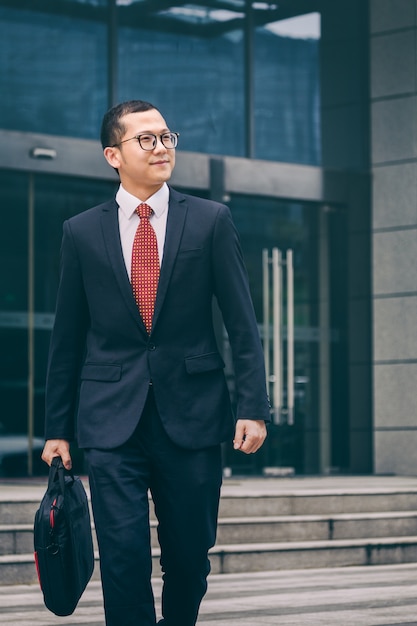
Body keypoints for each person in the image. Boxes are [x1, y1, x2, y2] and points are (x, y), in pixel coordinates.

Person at [41, 99, 270, 626]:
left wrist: (253, 405)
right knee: (122, 557)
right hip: (109, 418)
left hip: (192, 415)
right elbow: (67, 338)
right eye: (146, 138)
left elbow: (241, 322)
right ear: (112, 155)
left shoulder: (212, 220)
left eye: (167, 136)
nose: (162, 146)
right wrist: (57, 427)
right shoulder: (80, 231)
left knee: (189, 557)